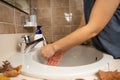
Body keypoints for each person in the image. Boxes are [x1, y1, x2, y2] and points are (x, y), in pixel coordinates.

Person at [40, 0, 120, 66]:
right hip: (106, 53)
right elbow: (83, 26)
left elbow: (93, 29)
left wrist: (54, 47)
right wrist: (63, 48)